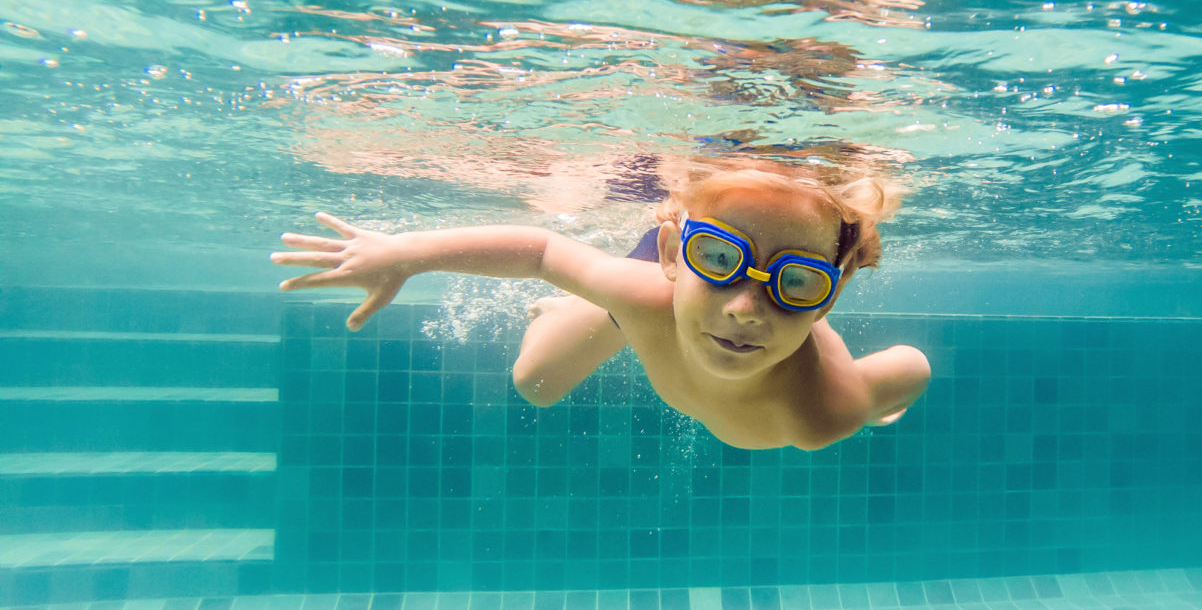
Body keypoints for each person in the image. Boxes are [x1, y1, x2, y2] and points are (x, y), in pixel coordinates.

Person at [271, 164, 931, 451]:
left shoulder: (823, 410)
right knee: (542, 375)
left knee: (535, 381)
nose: (744, 310)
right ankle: (618, 287)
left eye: (798, 286)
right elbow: (537, 248)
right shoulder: (648, 289)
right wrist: (407, 253)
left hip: (693, 313)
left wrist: (880, 403)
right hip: (657, 301)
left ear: (829, 299)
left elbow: (914, 366)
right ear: (674, 257)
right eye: (722, 263)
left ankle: (580, 306)